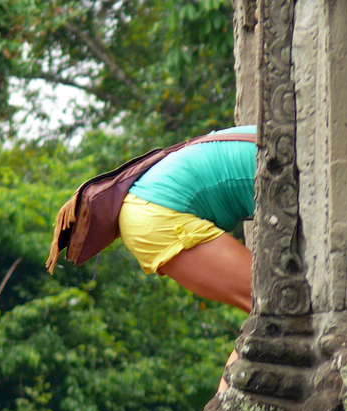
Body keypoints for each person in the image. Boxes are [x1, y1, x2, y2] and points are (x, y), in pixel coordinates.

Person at [50, 125, 256, 391]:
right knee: (273, 308)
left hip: (148, 207)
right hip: (158, 213)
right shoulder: (301, 154)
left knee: (271, 311)